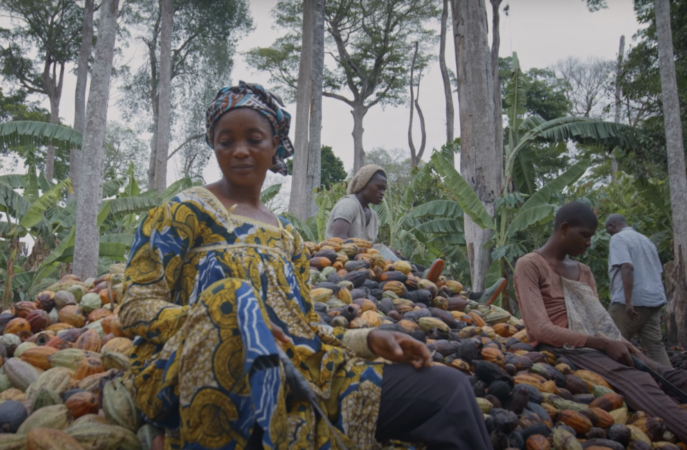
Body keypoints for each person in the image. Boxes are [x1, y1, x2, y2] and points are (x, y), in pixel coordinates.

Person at [119, 81, 491, 450]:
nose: (240, 151)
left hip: (296, 369)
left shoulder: (287, 238)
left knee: (449, 391)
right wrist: (239, 322)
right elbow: (136, 305)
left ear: (275, 144)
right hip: (196, 369)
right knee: (232, 298)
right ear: (214, 146)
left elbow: (305, 327)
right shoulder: (184, 212)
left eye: (254, 138)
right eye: (226, 141)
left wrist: (368, 340)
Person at [514, 202, 687, 441]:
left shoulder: (583, 270)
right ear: (564, 229)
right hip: (566, 348)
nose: (588, 243)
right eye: (585, 236)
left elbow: (600, 322)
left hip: (597, 344)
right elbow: (539, 329)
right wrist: (604, 345)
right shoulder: (530, 265)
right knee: (642, 381)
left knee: (669, 374)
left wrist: (632, 350)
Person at [605, 214, 671, 367]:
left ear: (613, 225)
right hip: (653, 299)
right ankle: (674, 383)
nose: (608, 233)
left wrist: (628, 301)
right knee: (656, 347)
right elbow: (658, 271)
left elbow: (626, 267)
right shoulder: (646, 240)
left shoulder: (618, 238)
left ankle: (622, 386)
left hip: (630, 302)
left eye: (608, 229)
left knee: (612, 342)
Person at [325, 164, 387, 242]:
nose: (382, 193)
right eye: (379, 188)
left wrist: (387, 251)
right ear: (364, 184)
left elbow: (371, 248)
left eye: (384, 190)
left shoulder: (373, 216)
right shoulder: (347, 205)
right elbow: (339, 242)